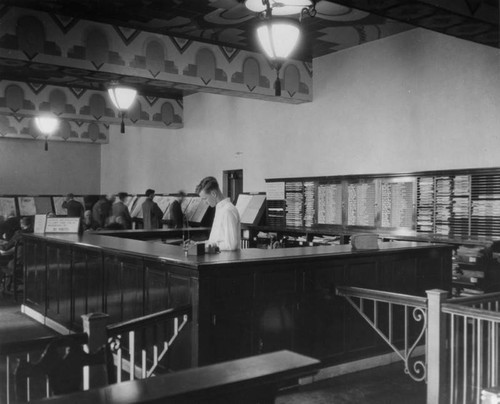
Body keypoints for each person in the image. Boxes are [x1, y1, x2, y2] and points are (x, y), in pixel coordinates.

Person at [196, 176, 240, 251]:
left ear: (213, 194)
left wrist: (207, 247)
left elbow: (231, 245)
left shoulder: (228, 210)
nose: (205, 202)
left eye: (205, 198)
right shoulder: (220, 208)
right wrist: (197, 244)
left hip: (226, 260)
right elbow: (215, 240)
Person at [0, 216, 33, 290]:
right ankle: (9, 285)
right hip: (30, 263)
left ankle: (4, 287)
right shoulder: (34, 233)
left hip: (17, 263)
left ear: (21, 224)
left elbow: (6, 248)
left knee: (4, 264)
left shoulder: (19, 234)